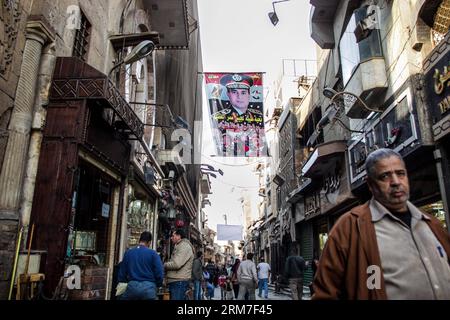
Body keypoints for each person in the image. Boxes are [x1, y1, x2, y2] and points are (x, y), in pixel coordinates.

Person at [312, 148, 450, 300]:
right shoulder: (350, 228)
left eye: (400, 173)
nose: (396, 182)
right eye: (385, 176)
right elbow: (325, 293)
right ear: (370, 185)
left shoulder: (431, 224)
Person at [117, 231, 164, 300]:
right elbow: (159, 273)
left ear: (139, 240)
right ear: (149, 242)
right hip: (149, 289)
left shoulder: (128, 253)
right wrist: (158, 284)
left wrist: (123, 282)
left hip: (132, 288)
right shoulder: (153, 254)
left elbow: (122, 273)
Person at [164, 228, 195, 300]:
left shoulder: (184, 246)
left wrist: (164, 265)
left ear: (179, 236)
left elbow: (177, 264)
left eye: (173, 236)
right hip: (177, 281)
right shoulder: (180, 245)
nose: (171, 238)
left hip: (179, 282)